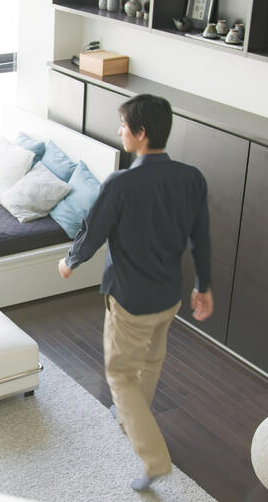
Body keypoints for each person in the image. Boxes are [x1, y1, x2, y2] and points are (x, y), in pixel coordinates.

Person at [57, 94, 214, 491]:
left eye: (123, 125)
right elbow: (202, 237)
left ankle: (154, 458)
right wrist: (203, 286)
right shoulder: (192, 177)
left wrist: (70, 261)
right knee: (150, 362)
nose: (119, 131)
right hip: (168, 298)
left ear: (141, 133)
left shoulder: (122, 183)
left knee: (120, 375)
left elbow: (93, 232)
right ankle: (127, 417)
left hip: (130, 301)